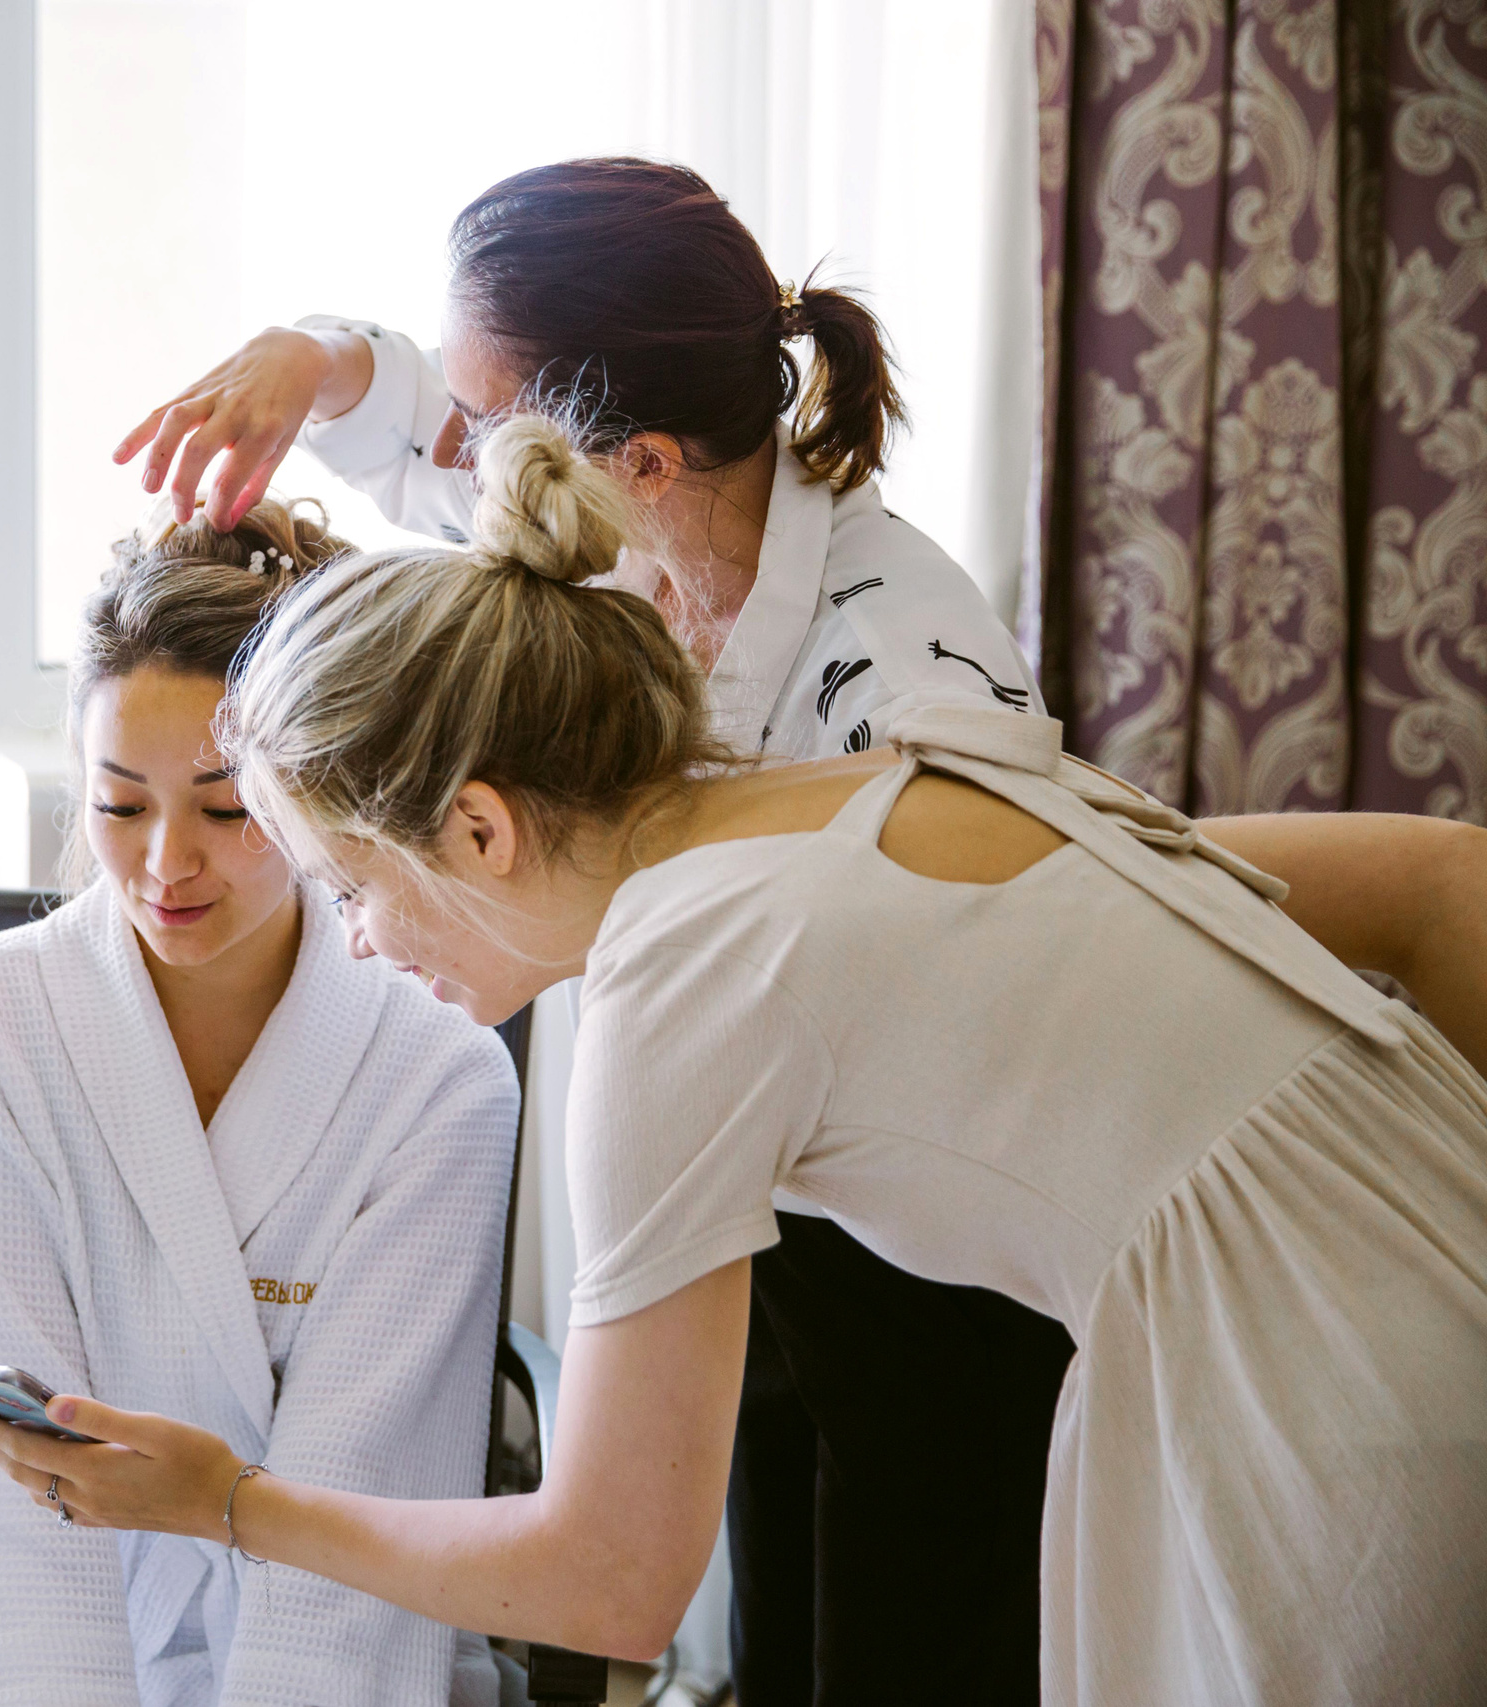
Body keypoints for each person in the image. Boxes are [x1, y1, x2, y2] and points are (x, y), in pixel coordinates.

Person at [0, 414, 1487, 1707]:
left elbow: (617, 1579)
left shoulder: (671, 977)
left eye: (355, 886)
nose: (357, 942)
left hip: (1323, 1405)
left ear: (479, 827)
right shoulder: (893, 772)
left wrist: (223, 1499)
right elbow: (1447, 879)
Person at [118, 156, 1064, 1702]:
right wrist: (320, 354)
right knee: (771, 1638)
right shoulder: (598, 521)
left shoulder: (914, 682)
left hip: (946, 1238)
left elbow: (991, 981)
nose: (455, 452)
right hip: (765, 1219)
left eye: (481, 424)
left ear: (636, 455)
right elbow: (416, 406)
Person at [0, 501, 522, 1707]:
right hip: (53, 1645)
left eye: (226, 810)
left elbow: (366, 1520)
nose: (167, 864)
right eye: (120, 807)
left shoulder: (438, 1075)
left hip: (335, 1653)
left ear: (319, 787)